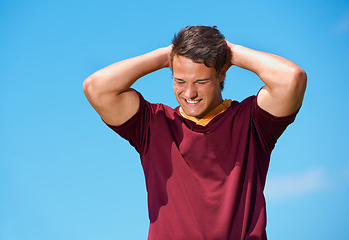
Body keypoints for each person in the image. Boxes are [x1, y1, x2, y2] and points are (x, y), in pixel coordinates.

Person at [83, 25, 307, 240]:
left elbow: (292, 78)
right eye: (179, 81)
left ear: (221, 74)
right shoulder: (153, 124)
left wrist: (230, 52)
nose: (189, 93)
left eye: (201, 81)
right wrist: (166, 55)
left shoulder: (252, 122)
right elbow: (96, 87)